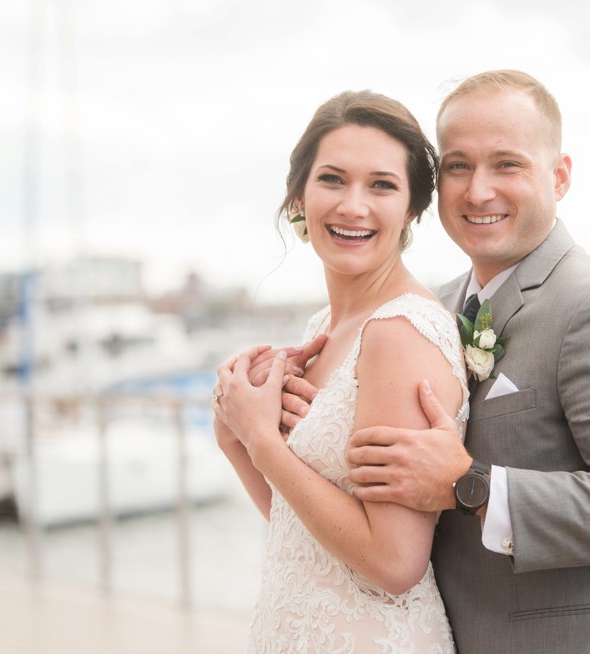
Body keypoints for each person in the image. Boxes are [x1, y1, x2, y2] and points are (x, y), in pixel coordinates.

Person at [284, 70, 590, 653]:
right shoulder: (431, 309)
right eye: (458, 165)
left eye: (507, 164)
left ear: (559, 176)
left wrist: (468, 484)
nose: (478, 191)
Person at [211, 90, 469, 653]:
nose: (354, 205)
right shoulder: (324, 326)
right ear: (298, 196)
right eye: (332, 179)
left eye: (381, 185)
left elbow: (394, 561)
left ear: (413, 209)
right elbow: (300, 530)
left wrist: (263, 441)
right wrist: (234, 435)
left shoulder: (400, 332)